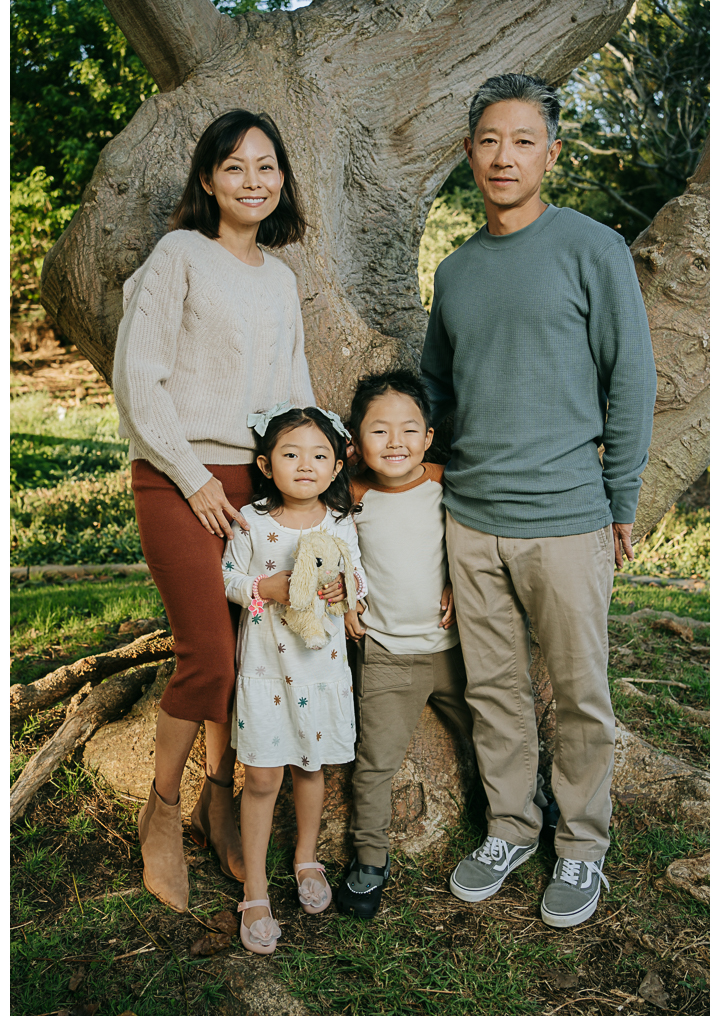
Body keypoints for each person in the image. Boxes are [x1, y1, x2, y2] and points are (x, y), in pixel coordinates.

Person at [420, 73, 656, 928]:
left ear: (550, 154)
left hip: (567, 517)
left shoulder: (595, 249)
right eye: (488, 140)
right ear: (469, 153)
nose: (504, 156)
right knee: (494, 689)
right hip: (471, 519)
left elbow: (631, 380)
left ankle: (582, 846)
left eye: (523, 140)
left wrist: (619, 496)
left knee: (581, 690)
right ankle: (513, 826)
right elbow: (438, 395)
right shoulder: (454, 272)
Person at [113, 109, 315, 913]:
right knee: (211, 654)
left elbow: (295, 391)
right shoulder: (179, 256)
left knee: (251, 655)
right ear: (207, 180)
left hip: (257, 490)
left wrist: (315, 491)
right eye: (235, 168)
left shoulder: (282, 278)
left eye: (267, 167)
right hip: (177, 477)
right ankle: (160, 812)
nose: (253, 181)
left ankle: (218, 797)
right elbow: (140, 378)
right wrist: (193, 475)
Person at [222, 405, 366, 954]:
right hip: (266, 669)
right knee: (261, 777)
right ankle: (255, 888)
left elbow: (356, 574)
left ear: (335, 469)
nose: (305, 465)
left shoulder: (339, 523)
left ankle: (307, 857)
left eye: (319, 456)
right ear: (265, 464)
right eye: (290, 453)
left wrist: (344, 591)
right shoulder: (253, 521)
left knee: (312, 767)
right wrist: (266, 588)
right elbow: (227, 577)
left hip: (321, 669)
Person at [336, 370, 474, 920]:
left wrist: (458, 583)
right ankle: (370, 860)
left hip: (456, 648)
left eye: (408, 429)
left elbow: (478, 541)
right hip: (388, 656)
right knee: (374, 763)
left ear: (429, 435)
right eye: (379, 431)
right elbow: (326, 547)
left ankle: (525, 812)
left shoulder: (448, 482)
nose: (395, 442)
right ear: (356, 441)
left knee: (495, 735)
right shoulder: (349, 494)